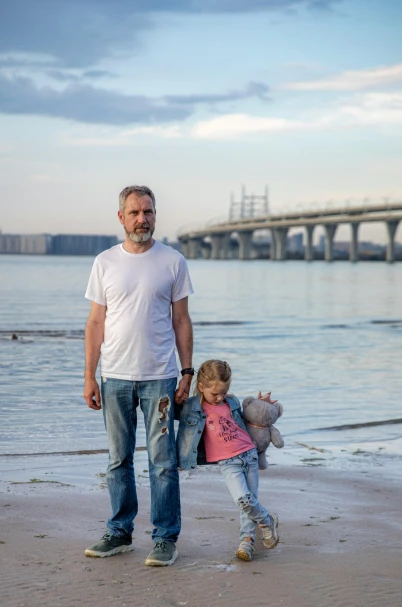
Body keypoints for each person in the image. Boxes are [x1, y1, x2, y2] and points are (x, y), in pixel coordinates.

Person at [83, 185, 194, 567]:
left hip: (160, 379)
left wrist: (187, 372)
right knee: (118, 459)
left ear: (155, 215)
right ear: (121, 218)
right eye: (134, 213)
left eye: (147, 212)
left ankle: (165, 538)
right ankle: (120, 532)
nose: (141, 219)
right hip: (114, 377)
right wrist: (89, 376)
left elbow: (181, 320)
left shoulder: (173, 261)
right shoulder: (105, 262)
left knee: (162, 461)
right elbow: (96, 322)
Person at [176, 359, 279, 562]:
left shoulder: (231, 401)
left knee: (249, 500)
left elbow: (248, 420)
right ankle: (267, 520)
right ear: (201, 387)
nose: (220, 397)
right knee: (244, 500)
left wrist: (262, 405)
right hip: (228, 462)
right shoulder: (192, 407)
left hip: (248, 453)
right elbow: (171, 413)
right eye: (215, 394)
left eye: (224, 392)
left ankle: (247, 542)